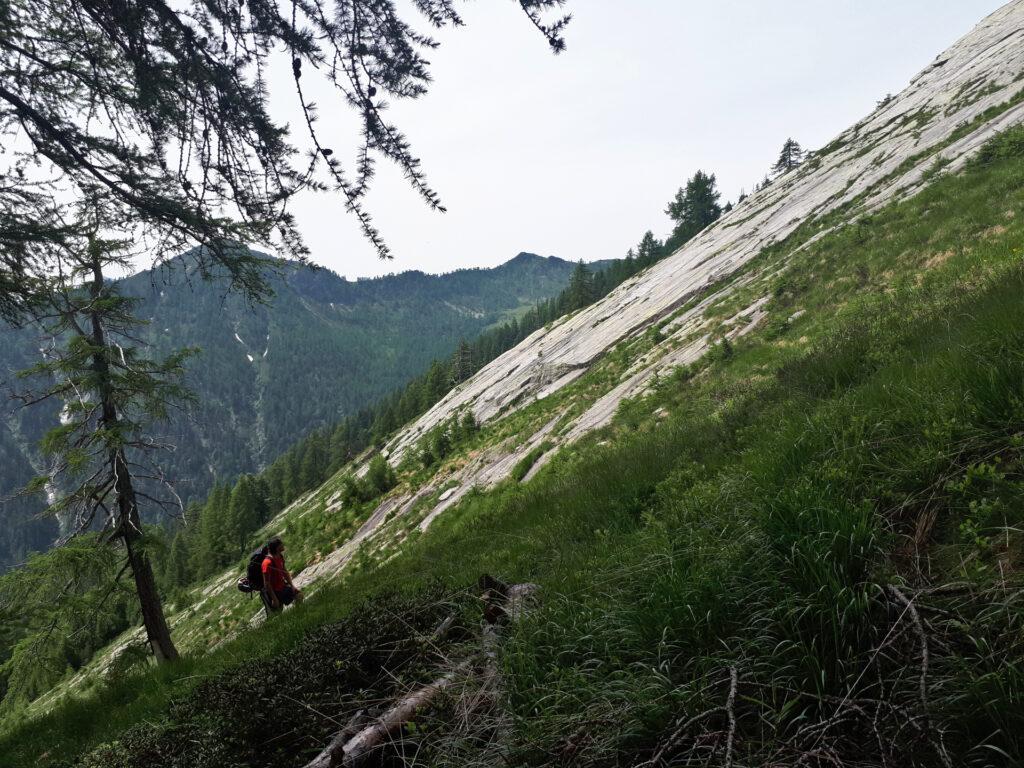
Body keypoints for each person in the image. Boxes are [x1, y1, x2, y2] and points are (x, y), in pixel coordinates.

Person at [261, 536, 303, 614]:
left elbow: (284, 572)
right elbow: (266, 584)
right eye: (281, 544)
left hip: (282, 587)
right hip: (274, 592)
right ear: (277, 548)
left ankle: (299, 614)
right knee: (277, 613)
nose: (283, 545)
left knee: (299, 595)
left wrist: (292, 586)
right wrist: (274, 599)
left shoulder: (280, 556)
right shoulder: (267, 563)